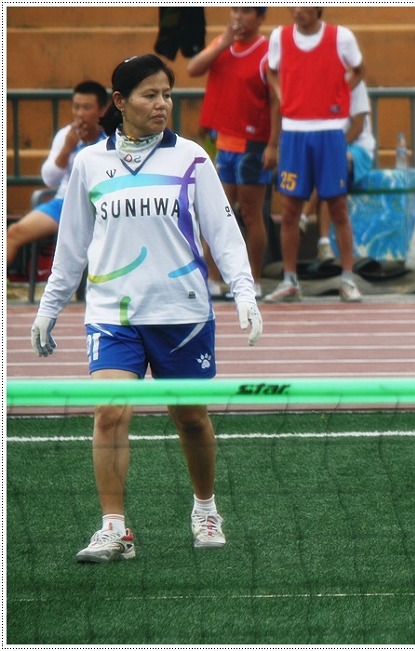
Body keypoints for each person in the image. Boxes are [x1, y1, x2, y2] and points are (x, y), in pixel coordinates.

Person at [29, 54, 264, 563]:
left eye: (167, 95)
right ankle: (114, 529)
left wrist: (244, 292)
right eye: (150, 95)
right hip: (112, 315)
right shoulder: (90, 163)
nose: (162, 104)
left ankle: (205, 508)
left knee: (191, 418)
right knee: (109, 413)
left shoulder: (192, 159)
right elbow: (72, 245)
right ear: (120, 101)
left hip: (182, 315)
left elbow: (224, 234)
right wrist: (49, 307)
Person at [264, 6, 365, 303]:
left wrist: (340, 91)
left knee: (338, 206)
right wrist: (282, 94)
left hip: (330, 131)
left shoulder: (341, 37)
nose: (297, 9)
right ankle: (290, 280)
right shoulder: (280, 37)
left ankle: (348, 278)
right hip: (294, 132)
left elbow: (359, 69)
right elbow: (271, 70)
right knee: (290, 210)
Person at [187, 6, 278, 298]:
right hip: (221, 141)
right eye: (235, 9)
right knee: (217, 213)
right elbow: (193, 69)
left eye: (247, 11)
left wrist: (273, 144)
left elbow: (276, 101)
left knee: (251, 213)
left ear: (261, 18)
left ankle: (253, 279)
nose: (238, 16)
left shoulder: (267, 52)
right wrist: (223, 43)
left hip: (252, 143)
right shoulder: (222, 43)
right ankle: (212, 278)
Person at [6, 81, 108, 267]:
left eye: (87, 108)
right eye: (76, 107)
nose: (80, 114)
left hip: (101, 205)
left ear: (102, 110)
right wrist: (67, 148)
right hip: (65, 203)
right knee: (14, 232)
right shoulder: (66, 135)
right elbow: (49, 180)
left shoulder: (112, 137)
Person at [298, 79, 376, 264]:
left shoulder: (356, 85)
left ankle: (303, 216)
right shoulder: (321, 84)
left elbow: (358, 128)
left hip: (357, 148)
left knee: (329, 167)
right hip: (331, 147)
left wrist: (334, 147)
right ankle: (323, 243)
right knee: (326, 171)